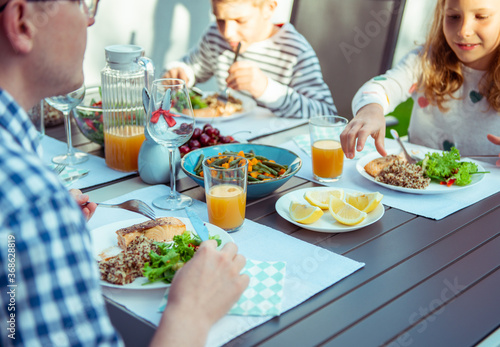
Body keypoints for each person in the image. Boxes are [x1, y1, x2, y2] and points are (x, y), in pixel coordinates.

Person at [0, 1, 249, 346]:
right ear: (23, 23)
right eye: (80, 3)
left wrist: (45, 227)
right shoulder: (31, 201)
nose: (90, 19)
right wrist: (191, 311)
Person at [340, 0, 500, 164]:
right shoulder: (425, 60)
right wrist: (371, 109)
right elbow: (382, 86)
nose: (464, 30)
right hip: (421, 184)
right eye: (453, 16)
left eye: (482, 17)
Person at [162, 0, 336, 119]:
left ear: (268, 8)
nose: (227, 32)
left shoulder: (294, 51)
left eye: (240, 20)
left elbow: (325, 114)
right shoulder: (215, 36)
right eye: (220, 19)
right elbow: (193, 67)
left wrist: (266, 89)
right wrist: (181, 72)